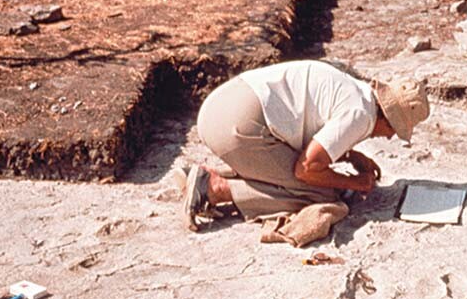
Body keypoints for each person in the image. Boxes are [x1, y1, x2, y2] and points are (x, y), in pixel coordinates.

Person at [184, 59, 430, 229]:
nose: (389, 137)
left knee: (308, 177)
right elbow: (306, 168)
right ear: (387, 118)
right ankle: (215, 188)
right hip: (238, 126)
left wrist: (349, 155)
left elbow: (309, 125)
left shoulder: (358, 92)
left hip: (221, 108)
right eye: (394, 130)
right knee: (319, 193)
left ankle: (209, 175)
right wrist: (352, 183)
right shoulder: (361, 116)